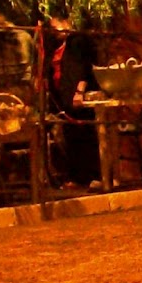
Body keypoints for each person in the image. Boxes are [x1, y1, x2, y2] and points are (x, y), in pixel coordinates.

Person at [46, 13, 99, 188]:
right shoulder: (58, 45)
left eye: (56, 24)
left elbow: (84, 68)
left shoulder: (77, 41)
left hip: (76, 95)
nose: (54, 29)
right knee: (71, 137)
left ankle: (93, 176)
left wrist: (79, 91)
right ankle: (77, 177)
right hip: (63, 97)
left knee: (85, 135)